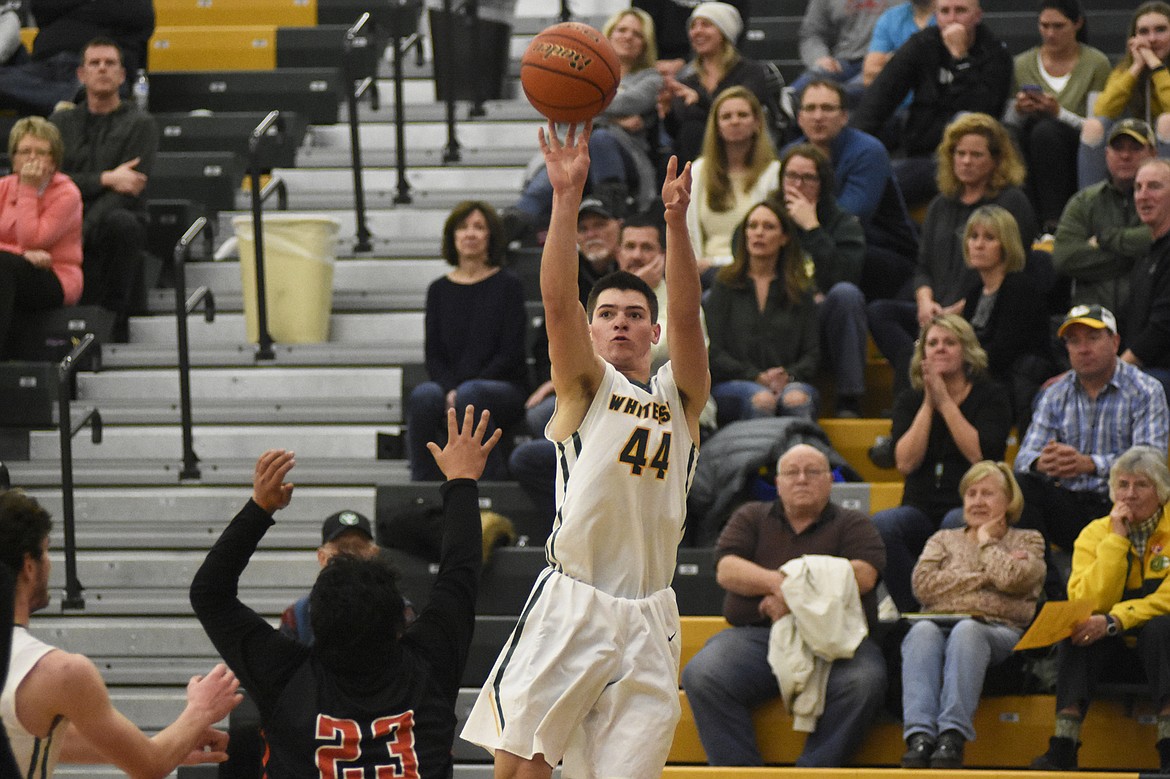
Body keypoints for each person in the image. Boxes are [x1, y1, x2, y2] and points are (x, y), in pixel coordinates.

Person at [462, 122, 710, 778]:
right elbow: (556, 299)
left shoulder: (678, 399)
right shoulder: (585, 388)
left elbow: (688, 317)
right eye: (609, 313)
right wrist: (565, 200)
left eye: (635, 313)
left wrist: (676, 221)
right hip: (574, 599)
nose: (622, 320)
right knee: (521, 771)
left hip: (651, 613)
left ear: (651, 331)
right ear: (594, 330)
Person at [191, 406, 500, 777]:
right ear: (398, 619)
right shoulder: (428, 666)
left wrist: (261, 509)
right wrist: (462, 481)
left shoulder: (288, 677)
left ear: (315, 621)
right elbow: (461, 572)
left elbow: (209, 592)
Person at [1, 489, 241, 778]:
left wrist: (170, 742)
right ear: (29, 567)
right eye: (47, 550)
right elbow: (150, 766)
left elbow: (34, 739)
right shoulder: (59, 672)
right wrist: (200, 711)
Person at [681, 443, 887, 767]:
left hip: (837, 643)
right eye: (792, 472)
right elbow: (727, 569)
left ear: (830, 480)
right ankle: (741, 775)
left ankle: (813, 773)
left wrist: (792, 601)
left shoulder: (854, 523)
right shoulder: (750, 516)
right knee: (704, 672)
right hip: (758, 637)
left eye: (813, 472)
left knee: (864, 682)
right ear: (778, 483)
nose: (801, 479)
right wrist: (796, 587)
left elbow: (864, 575)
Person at [867, 112, 1035, 398]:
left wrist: (958, 310)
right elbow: (922, 265)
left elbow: (1011, 267)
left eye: (976, 155)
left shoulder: (1010, 202)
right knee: (880, 312)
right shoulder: (940, 206)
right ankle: (919, 381)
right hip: (935, 311)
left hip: (980, 315)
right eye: (960, 153)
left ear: (996, 160)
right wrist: (924, 301)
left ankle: (916, 393)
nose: (966, 161)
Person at [1030, 446, 1170, 773]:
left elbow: (1166, 598)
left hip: (1160, 649)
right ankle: (1064, 744)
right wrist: (1116, 541)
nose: (1130, 494)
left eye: (1141, 485)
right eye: (1123, 485)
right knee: (1079, 629)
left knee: (1161, 627)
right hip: (1113, 655)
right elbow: (1089, 602)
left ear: (1162, 493)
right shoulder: (1094, 534)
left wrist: (1115, 621)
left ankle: (1168, 746)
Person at [899, 460, 1045, 769]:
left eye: (987, 494)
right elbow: (923, 588)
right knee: (921, 631)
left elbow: (1013, 580)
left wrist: (985, 544)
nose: (977, 501)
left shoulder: (1028, 540)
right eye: (971, 494)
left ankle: (952, 736)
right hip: (938, 625)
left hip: (999, 630)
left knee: (968, 630)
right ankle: (920, 736)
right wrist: (986, 574)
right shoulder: (943, 539)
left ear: (1009, 502)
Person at [870, 314, 1012, 613]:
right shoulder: (911, 400)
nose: (940, 349)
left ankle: (954, 606)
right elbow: (905, 463)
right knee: (883, 525)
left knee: (954, 524)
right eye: (932, 344)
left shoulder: (991, 396)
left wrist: (946, 403)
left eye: (950, 342)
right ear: (922, 356)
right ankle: (914, 609)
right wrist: (928, 404)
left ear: (967, 351)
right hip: (919, 507)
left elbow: (980, 457)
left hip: (969, 505)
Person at [1013, 304, 1169, 555]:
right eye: (1074, 341)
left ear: (1115, 342)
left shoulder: (1146, 390)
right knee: (1020, 486)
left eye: (1093, 338)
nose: (1083, 349)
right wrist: (1043, 463)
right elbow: (1023, 458)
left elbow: (1152, 460)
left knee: (1142, 486)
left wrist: (1091, 464)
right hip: (1070, 503)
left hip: (1123, 503)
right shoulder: (1054, 394)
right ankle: (1045, 584)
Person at [502, 8, 663, 237]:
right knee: (563, 158)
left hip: (625, 161)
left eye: (637, 34)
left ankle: (611, 205)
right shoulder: (581, 72)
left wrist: (585, 108)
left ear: (646, 43)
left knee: (600, 138)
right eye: (622, 30)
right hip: (576, 153)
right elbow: (568, 107)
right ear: (608, 34)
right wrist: (614, 118)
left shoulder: (651, 78)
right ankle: (517, 219)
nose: (628, 37)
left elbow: (629, 101)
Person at [406, 200, 527, 481]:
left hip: (503, 388)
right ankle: (423, 483)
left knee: (472, 395)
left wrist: (460, 390)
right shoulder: (438, 290)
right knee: (424, 396)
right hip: (454, 388)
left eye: (479, 227)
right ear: (453, 237)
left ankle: (490, 478)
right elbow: (433, 355)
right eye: (462, 228)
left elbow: (510, 354)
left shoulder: (509, 285)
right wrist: (450, 389)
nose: (470, 234)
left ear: (491, 237)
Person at [851, 0, 1012, 209]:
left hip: (963, 158)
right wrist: (850, 148)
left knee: (884, 187)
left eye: (960, 11)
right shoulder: (923, 44)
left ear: (977, 16)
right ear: (936, 16)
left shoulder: (995, 53)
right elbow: (880, 97)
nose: (952, 19)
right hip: (920, 147)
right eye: (945, 11)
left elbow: (981, 112)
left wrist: (960, 58)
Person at [50, 37, 157, 334]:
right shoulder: (61, 123)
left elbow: (128, 191)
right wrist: (106, 179)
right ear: (81, 75)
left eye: (110, 63)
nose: (102, 69)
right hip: (65, 216)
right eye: (94, 63)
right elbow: (52, 182)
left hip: (113, 221)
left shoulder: (141, 124)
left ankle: (113, 323)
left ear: (122, 76)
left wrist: (82, 230)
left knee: (121, 222)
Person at [783, 79, 919, 301]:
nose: (818, 116)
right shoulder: (790, 154)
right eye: (810, 108)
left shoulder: (868, 151)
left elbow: (851, 221)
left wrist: (808, 222)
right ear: (799, 118)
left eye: (827, 108)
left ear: (844, 116)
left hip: (881, 252)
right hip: (820, 246)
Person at [771, 144, 868, 417]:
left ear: (822, 183)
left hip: (822, 321)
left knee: (846, 295)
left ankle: (849, 400)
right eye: (791, 176)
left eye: (808, 178)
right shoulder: (766, 217)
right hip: (778, 315)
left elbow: (845, 276)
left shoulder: (842, 222)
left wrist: (812, 228)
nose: (798, 185)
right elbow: (746, 263)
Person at [704, 200, 821, 424]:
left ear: (784, 237)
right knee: (762, 399)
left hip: (790, 382)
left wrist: (787, 375)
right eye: (753, 226)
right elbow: (714, 351)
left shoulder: (800, 289)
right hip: (734, 382)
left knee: (797, 398)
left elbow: (812, 354)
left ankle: (801, 459)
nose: (759, 233)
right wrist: (755, 376)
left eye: (768, 227)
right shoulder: (725, 284)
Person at [1004, 0, 1111, 233]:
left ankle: (1053, 223)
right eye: (1044, 26)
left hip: (1074, 144)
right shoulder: (1021, 64)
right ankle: (1025, 219)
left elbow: (1096, 126)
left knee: (1046, 131)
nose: (1050, 33)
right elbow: (1010, 122)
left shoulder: (1096, 63)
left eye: (1058, 26)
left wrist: (1058, 113)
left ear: (1077, 24)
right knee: (1012, 136)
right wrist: (1021, 109)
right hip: (1031, 141)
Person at [523, 197, 622, 437]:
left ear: (619, 226)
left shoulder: (635, 274)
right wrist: (559, 380)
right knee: (540, 415)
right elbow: (545, 343)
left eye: (600, 225)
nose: (591, 234)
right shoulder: (568, 278)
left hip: (625, 379)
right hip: (574, 383)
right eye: (583, 229)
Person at [959, 205, 1053, 431]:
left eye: (989, 238)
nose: (978, 244)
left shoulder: (1019, 288)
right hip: (982, 377)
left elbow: (1003, 352)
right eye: (974, 237)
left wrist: (959, 365)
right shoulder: (974, 294)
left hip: (1011, 383)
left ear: (1006, 245)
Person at [1052, 117, 1156, 313]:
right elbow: (1064, 258)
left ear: (1153, 153)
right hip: (1092, 320)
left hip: (1149, 317)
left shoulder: (1163, 198)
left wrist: (1104, 238)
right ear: (1106, 154)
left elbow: (1154, 238)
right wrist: (1137, 258)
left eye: (1135, 148)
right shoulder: (1084, 201)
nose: (1125, 155)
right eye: (1118, 148)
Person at [0, 116, 82, 359]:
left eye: (41, 152)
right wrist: (22, 255)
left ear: (54, 160)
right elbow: (25, 250)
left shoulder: (68, 194)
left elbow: (33, 239)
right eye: (24, 151)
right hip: (16, 267)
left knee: (2, 266)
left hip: (55, 275)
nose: (32, 158)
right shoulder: (3, 187)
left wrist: (28, 188)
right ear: (13, 159)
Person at [658, 2, 769, 167]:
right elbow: (677, 132)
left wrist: (699, 101)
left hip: (741, 157)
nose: (697, 31)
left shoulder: (751, 72)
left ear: (725, 32)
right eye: (693, 26)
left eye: (706, 25)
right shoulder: (688, 79)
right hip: (692, 165)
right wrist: (667, 112)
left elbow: (742, 114)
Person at [685, 85, 779, 280]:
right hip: (703, 273)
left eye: (742, 115)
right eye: (726, 117)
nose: (735, 121)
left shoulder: (774, 172)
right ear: (716, 126)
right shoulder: (698, 170)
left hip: (753, 272)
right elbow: (688, 232)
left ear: (757, 123)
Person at [1077, 2, 1170, 190]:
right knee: (1093, 127)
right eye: (1143, 32)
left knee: (1167, 122)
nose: (1151, 39)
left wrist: (1156, 67)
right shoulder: (1125, 70)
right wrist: (1136, 68)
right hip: (1138, 145)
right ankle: (1091, 205)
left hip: (1163, 145)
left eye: (1160, 30)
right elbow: (1103, 110)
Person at [278, 509, 383, 645]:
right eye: (341, 549)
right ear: (322, 557)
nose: (350, 556)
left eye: (358, 548)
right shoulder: (298, 616)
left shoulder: (398, 610)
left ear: (374, 554)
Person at [1120, 156, 1170, 397]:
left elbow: (1162, 327)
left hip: (1161, 373)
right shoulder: (1147, 254)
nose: (1142, 195)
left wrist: (1115, 370)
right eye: (1138, 187)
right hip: (1144, 369)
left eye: (1154, 186)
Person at [791, 0, 894, 103]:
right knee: (796, 92)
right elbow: (812, 33)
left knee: (840, 95)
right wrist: (820, 57)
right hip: (842, 63)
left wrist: (897, 57)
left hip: (884, 62)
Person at [862, 0, 936, 89]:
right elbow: (869, 75)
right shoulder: (890, 18)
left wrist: (893, 60)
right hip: (897, 98)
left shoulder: (951, 15)